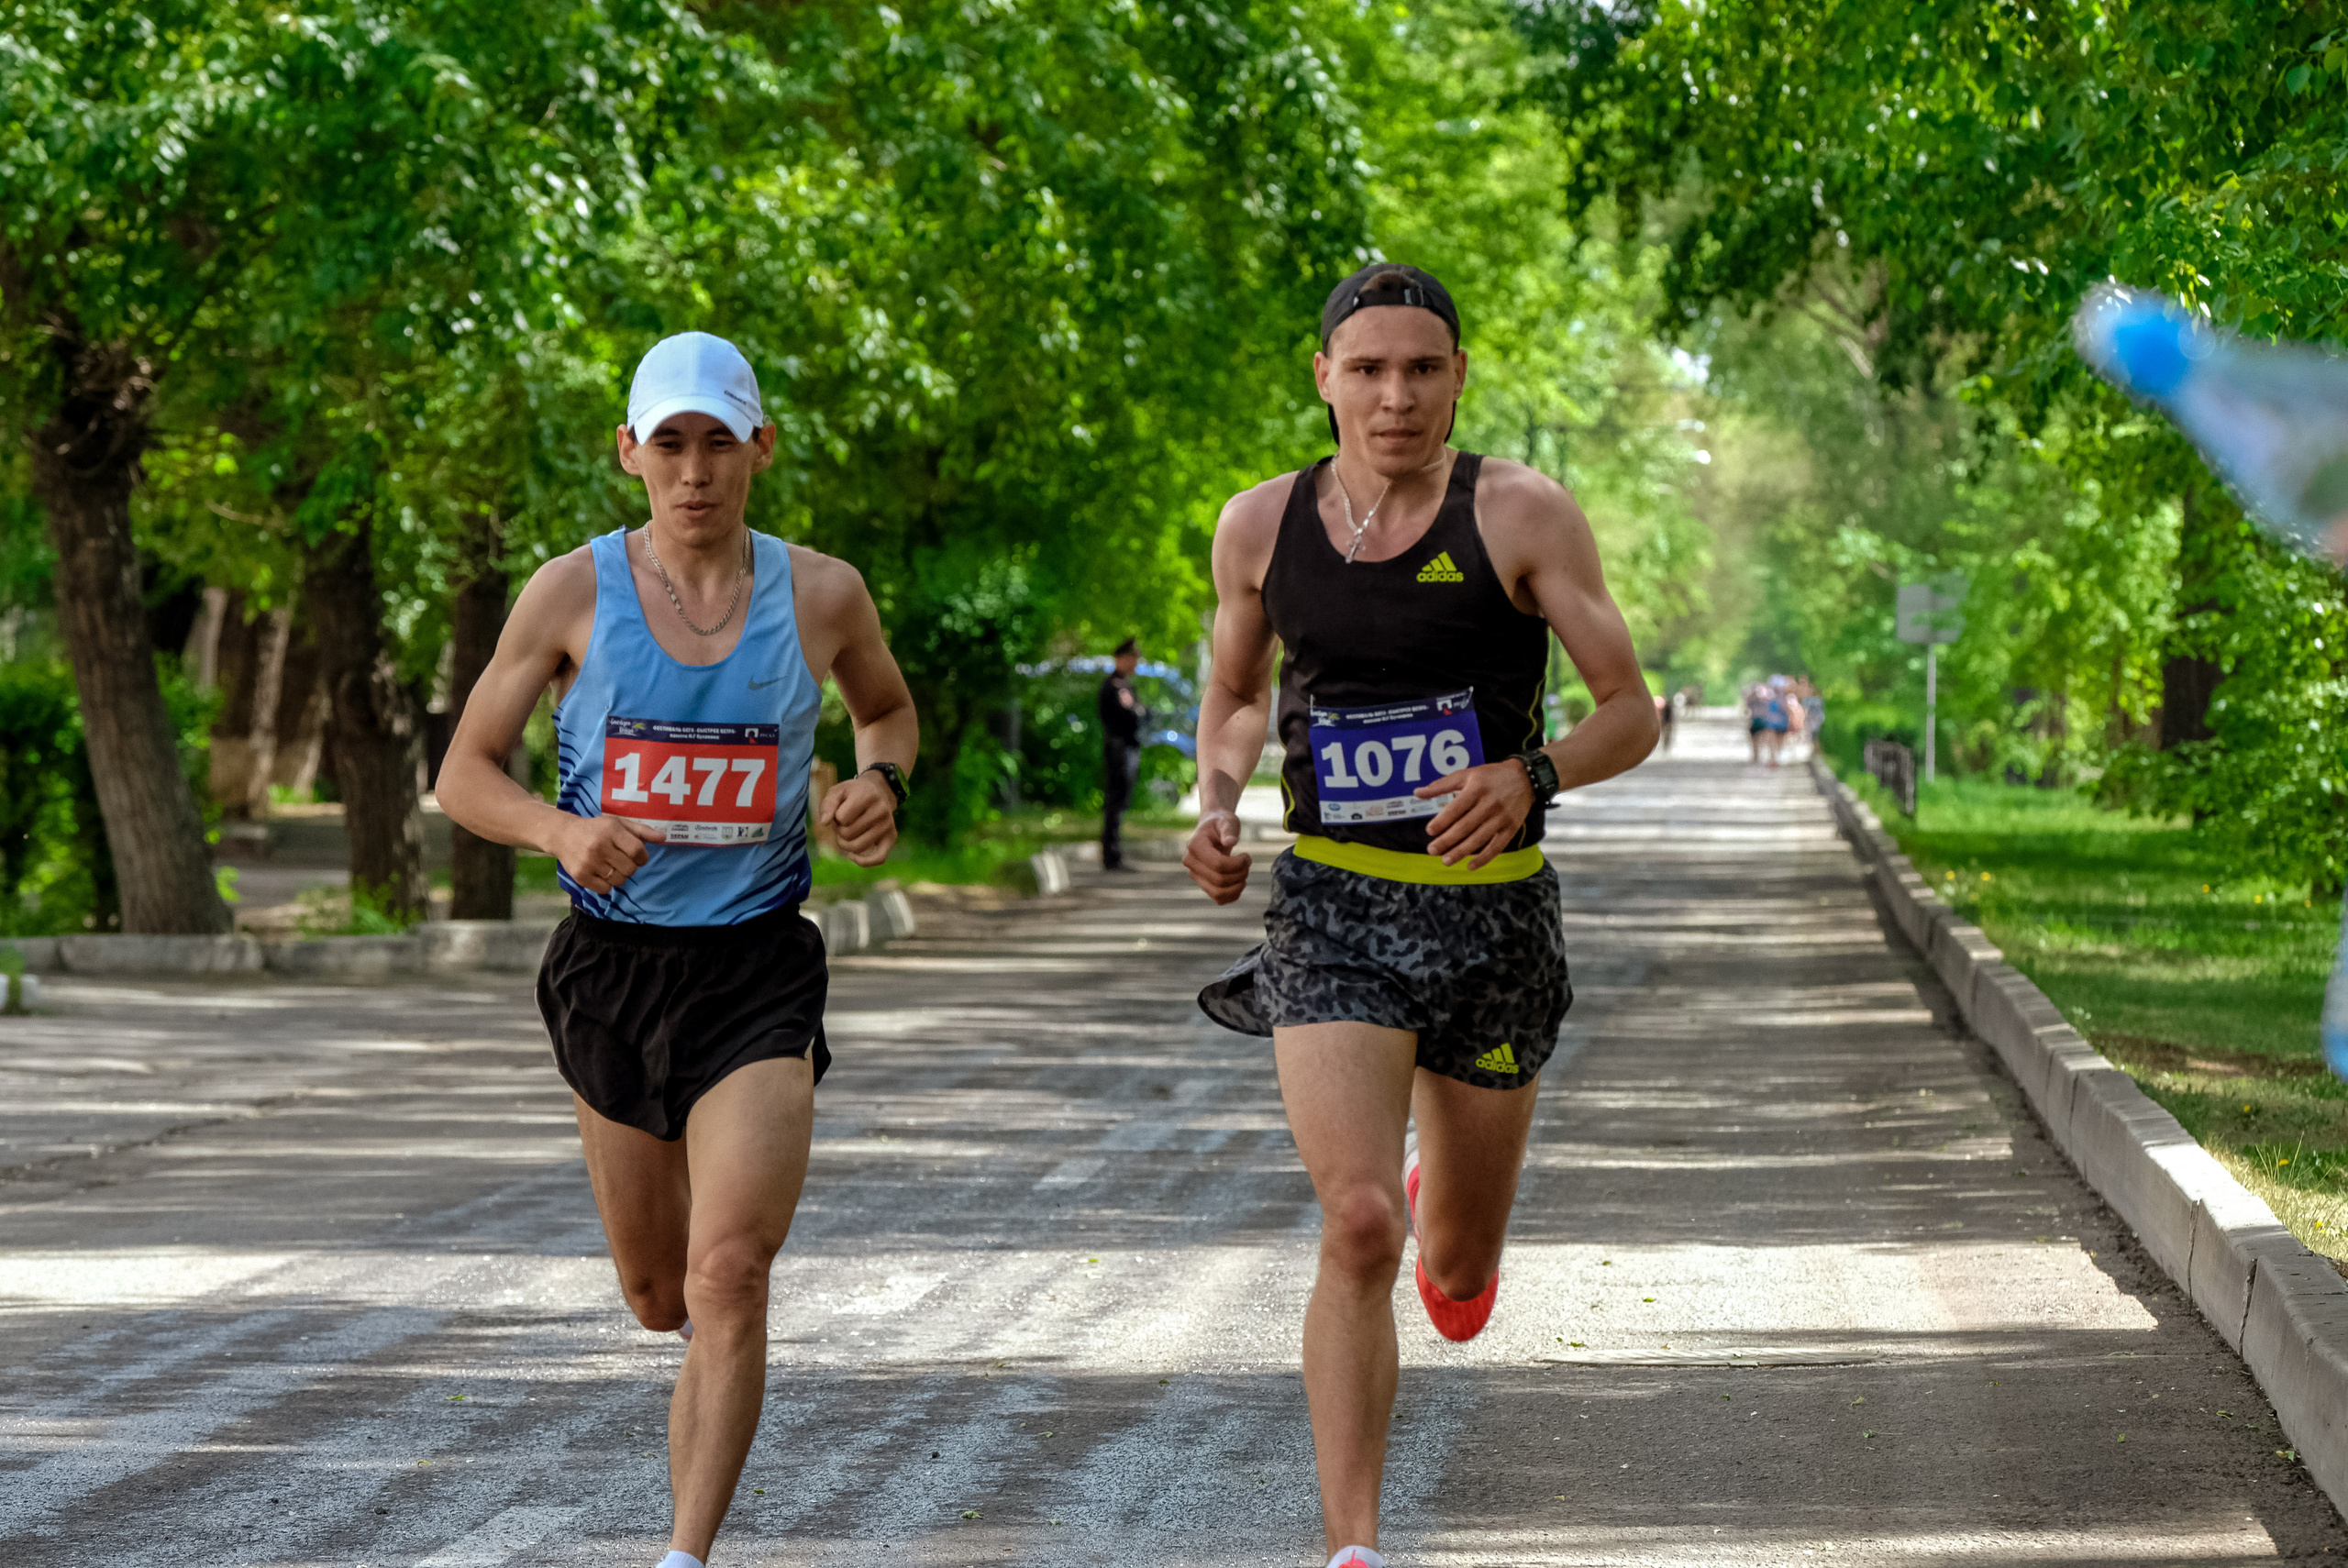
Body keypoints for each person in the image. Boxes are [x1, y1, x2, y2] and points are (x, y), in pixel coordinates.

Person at [1185, 264, 1657, 1568]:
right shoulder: (1258, 525)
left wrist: (1531, 775)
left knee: (1450, 1263)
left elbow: (1633, 707)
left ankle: (1449, 1228)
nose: (1396, 394)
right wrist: (1219, 800)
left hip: (1493, 927)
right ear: (1324, 376)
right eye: (1370, 367)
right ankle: (1355, 1545)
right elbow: (1233, 692)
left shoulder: (1518, 512)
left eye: (1424, 369)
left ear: (1457, 380)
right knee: (1357, 1224)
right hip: (1333, 907)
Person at [436, 331, 918, 1568]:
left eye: (718, 442)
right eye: (669, 444)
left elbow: (888, 708)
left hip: (758, 966)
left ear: (760, 448)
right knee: (658, 1294)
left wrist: (879, 785)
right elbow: (461, 776)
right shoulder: (570, 593)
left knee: (729, 1272)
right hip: (615, 967)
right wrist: (558, 826)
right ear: (629, 453)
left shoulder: (820, 593)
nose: (693, 471)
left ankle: (684, 1553)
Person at [1098, 636, 1145, 870]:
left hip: (1128, 748)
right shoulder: (1113, 686)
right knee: (1115, 802)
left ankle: (1115, 852)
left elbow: (1142, 715)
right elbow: (1129, 716)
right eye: (1132, 658)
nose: (1135, 662)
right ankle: (1111, 854)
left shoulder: (1126, 685)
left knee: (1120, 802)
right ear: (1121, 658)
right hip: (1118, 750)